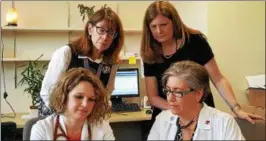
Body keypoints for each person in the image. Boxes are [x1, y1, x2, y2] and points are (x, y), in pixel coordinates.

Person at [140, 0, 263, 129]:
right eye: (153, 26)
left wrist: (236, 108)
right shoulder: (149, 51)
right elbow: (153, 97)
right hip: (169, 115)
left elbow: (218, 79)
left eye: (164, 24)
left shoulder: (195, 41)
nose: (158, 31)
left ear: (174, 23)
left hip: (201, 114)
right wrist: (179, 110)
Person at [39, 6, 124, 116]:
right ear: (90, 29)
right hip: (58, 116)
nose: (105, 37)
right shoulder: (67, 53)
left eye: (111, 32)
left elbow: (106, 94)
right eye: (101, 30)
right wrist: (67, 118)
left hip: (88, 117)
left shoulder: (111, 62)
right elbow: (48, 93)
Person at [148, 61, 245, 140]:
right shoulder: (162, 119)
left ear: (198, 94)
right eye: (168, 91)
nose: (170, 99)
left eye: (178, 92)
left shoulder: (224, 123)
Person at [30, 68, 115, 140]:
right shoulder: (42, 129)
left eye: (91, 99)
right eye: (79, 97)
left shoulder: (102, 127)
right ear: (63, 97)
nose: (85, 104)